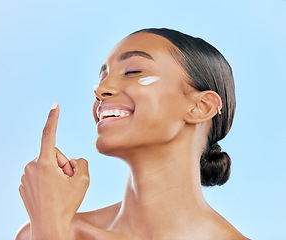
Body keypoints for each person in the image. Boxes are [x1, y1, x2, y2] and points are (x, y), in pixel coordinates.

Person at [15, 28, 249, 240]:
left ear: (202, 107)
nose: (100, 90)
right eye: (102, 77)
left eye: (133, 71)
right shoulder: (46, 230)